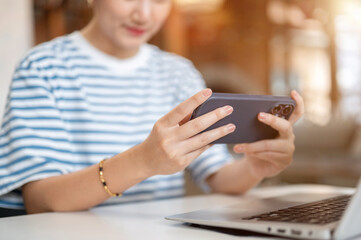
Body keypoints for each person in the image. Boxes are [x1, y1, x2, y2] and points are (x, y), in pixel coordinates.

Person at [0, 0, 304, 216]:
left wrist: (254, 167)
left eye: (160, 0)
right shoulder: (42, 68)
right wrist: (143, 161)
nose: (143, 14)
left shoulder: (178, 72)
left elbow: (218, 176)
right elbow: (41, 200)